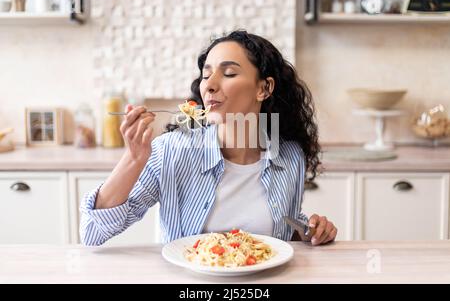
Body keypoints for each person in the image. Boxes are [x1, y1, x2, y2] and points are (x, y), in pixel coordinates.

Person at [80, 30, 337, 246]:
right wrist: (133, 160)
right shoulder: (171, 151)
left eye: (228, 74)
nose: (209, 85)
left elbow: (283, 231)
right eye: (206, 75)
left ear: (264, 88)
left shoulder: (290, 156)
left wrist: (311, 230)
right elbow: (92, 233)